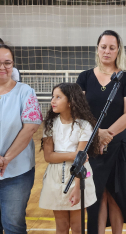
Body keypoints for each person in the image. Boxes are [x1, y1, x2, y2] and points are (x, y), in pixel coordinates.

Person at [76, 30, 126, 234]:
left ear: (118, 50)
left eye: (111, 47)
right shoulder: (85, 77)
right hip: (92, 145)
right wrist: (97, 133)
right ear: (97, 49)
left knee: (118, 195)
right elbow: (79, 110)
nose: (107, 51)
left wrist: (107, 135)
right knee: (96, 196)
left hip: (119, 146)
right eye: (103, 47)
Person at [0, 44, 42, 233]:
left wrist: (6, 159)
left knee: (14, 225)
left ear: (13, 65)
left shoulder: (26, 92)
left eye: (7, 63)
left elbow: (30, 128)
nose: (2, 67)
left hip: (18, 170)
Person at [39, 83, 99, 234]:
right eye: (53, 96)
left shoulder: (84, 126)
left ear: (71, 101)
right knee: (62, 226)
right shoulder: (50, 125)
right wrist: (74, 155)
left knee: (77, 226)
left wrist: (77, 188)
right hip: (55, 177)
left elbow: (80, 162)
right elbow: (48, 156)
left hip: (78, 177)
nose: (53, 100)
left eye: (58, 97)